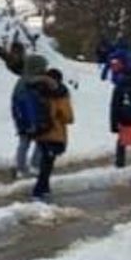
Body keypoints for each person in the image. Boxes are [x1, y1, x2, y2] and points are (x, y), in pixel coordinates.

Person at [32, 68, 74, 202]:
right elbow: (68, 117)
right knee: (47, 164)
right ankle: (38, 191)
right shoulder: (60, 94)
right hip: (55, 133)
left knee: (45, 161)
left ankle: (45, 189)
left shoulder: (37, 91)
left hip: (40, 131)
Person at [11, 54, 49, 179]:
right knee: (28, 143)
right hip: (27, 120)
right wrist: (31, 122)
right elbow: (27, 105)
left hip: (31, 119)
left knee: (36, 142)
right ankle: (24, 168)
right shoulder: (26, 84)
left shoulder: (32, 82)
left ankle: (30, 166)